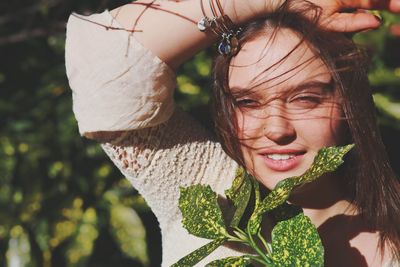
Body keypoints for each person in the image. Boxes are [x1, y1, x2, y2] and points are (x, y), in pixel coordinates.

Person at [65, 0, 400, 266]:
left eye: (305, 99)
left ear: (349, 103)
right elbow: (102, 59)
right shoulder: (214, 194)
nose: (276, 129)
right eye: (247, 102)